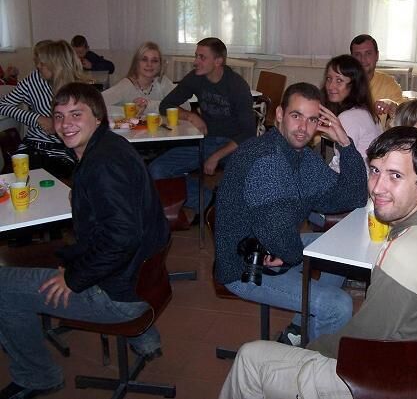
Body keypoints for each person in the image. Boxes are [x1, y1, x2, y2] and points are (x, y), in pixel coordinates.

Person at [219, 126, 417, 399]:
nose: (377, 188)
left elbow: (364, 339)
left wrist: (312, 350)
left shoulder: (407, 251)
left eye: (395, 175)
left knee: (250, 358)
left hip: (392, 385)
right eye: (374, 170)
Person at [0, 83, 169, 399]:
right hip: (143, 279)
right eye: (59, 116)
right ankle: (145, 339)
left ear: (98, 117)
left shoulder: (102, 165)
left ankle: (37, 377)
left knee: (3, 288)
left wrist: (74, 278)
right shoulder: (111, 146)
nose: (65, 124)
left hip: (118, 295)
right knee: (54, 255)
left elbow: (121, 238)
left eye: (76, 114)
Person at [214, 82, 368, 344]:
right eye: (296, 116)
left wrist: (345, 143)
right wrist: (292, 256)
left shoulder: (304, 158)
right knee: (338, 305)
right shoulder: (264, 158)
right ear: (279, 115)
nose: (303, 128)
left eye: (312, 120)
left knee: (344, 250)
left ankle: (299, 329)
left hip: (277, 248)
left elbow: (353, 196)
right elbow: (277, 233)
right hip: (244, 266)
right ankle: (309, 366)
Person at [148, 37, 256, 219]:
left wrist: (216, 156)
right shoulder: (196, 78)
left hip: (234, 145)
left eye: (202, 57)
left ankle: (229, 208)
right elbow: (166, 105)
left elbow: (248, 133)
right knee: (156, 170)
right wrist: (191, 116)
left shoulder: (237, 86)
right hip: (206, 140)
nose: (195, 61)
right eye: (196, 56)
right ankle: (206, 199)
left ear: (218, 61)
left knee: (245, 177)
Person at [0, 40, 85, 179]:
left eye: (43, 63)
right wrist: (37, 119)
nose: (38, 66)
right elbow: (2, 106)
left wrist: (59, 126)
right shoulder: (34, 79)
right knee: (13, 182)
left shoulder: (78, 87)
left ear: (56, 64)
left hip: (64, 154)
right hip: (33, 148)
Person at [321, 54, 382, 172]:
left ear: (354, 85)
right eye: (329, 79)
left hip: (358, 179)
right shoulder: (366, 111)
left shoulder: (348, 117)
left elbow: (340, 166)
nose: (331, 86)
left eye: (339, 80)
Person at [103, 41, 189, 118]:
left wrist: (148, 105)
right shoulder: (127, 85)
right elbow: (96, 106)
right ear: (136, 63)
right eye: (144, 60)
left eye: (154, 61)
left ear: (160, 65)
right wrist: (130, 110)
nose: (149, 64)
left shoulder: (162, 82)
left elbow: (186, 107)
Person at [350, 34, 403, 117]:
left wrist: (391, 105)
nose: (363, 59)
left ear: (377, 56)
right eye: (357, 55)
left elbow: (403, 114)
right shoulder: (341, 83)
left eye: (368, 53)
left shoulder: (389, 84)